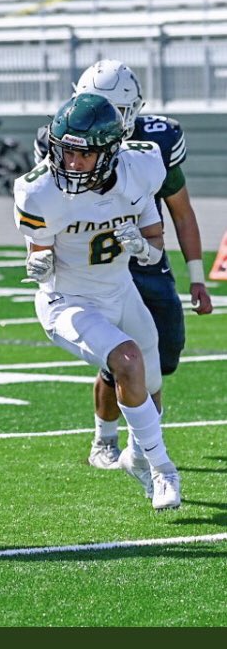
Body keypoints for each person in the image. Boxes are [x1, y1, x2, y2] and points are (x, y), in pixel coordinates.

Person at [32, 60, 213, 470]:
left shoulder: (153, 146)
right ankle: (109, 441)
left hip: (143, 256)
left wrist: (197, 277)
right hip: (89, 263)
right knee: (118, 358)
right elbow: (44, 211)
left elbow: (181, 212)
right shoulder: (62, 138)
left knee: (161, 358)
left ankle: (140, 446)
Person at [14, 93, 181, 510]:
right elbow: (39, 252)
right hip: (68, 300)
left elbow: (157, 248)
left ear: (109, 151)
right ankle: (164, 470)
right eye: (65, 151)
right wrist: (39, 262)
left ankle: (138, 459)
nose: (71, 163)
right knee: (125, 359)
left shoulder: (140, 167)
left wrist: (142, 248)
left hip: (121, 291)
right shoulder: (38, 191)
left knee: (152, 388)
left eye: (83, 154)